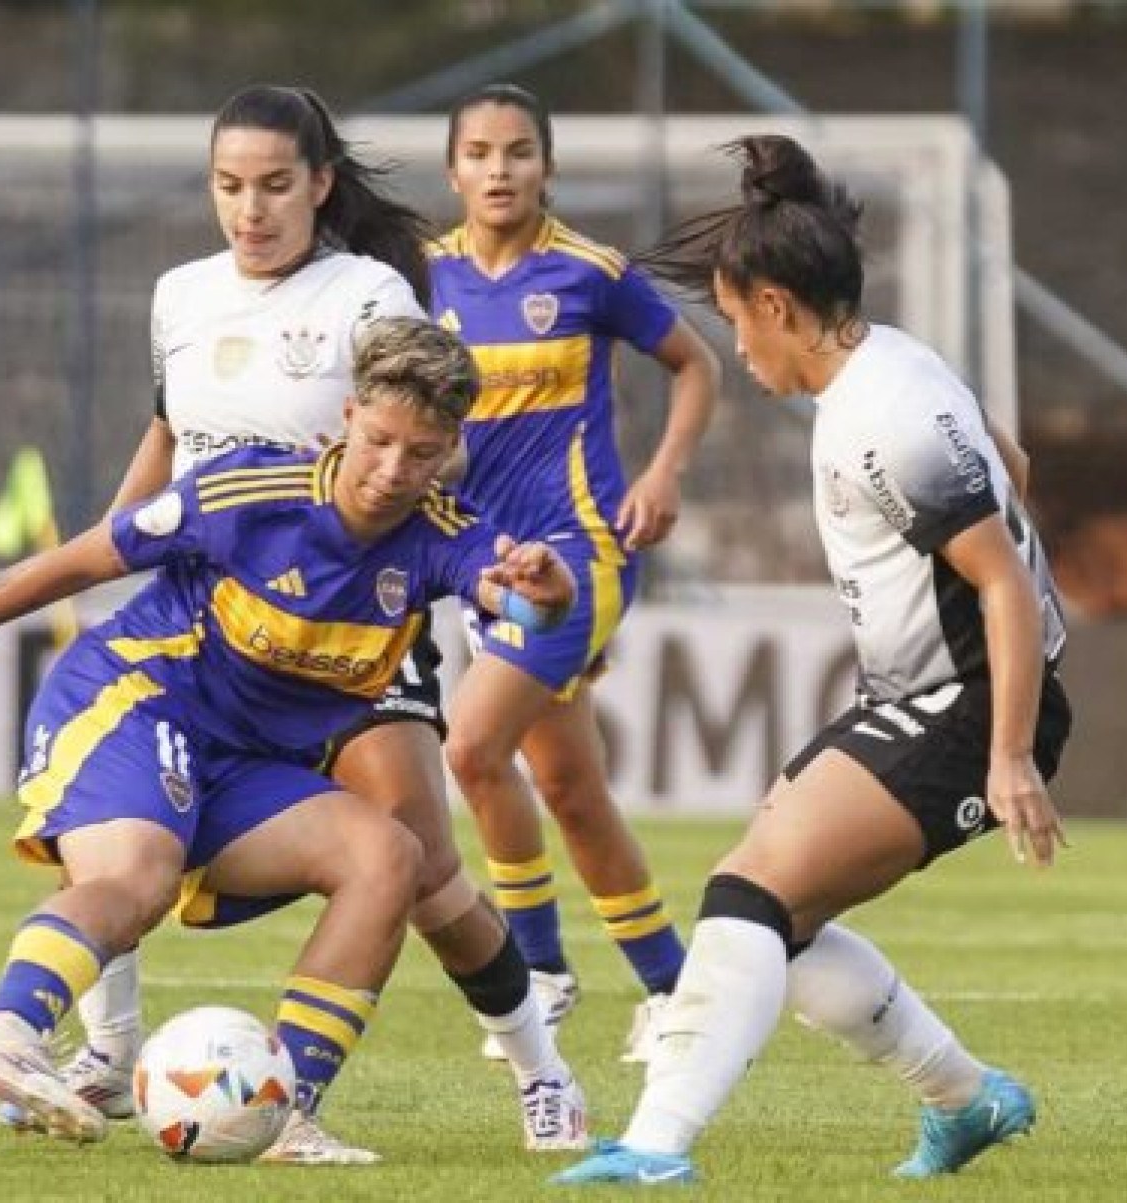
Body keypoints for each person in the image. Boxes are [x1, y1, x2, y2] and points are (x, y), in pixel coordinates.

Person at [0, 319, 581, 1160]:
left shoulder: (441, 533)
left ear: (449, 450)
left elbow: (514, 596)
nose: (393, 470)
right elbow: (80, 563)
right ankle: (6, 1027)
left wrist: (546, 593)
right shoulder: (245, 493)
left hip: (251, 764)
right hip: (138, 700)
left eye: (422, 452)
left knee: (390, 858)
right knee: (136, 879)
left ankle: (284, 1110)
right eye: (380, 440)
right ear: (348, 414)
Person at [49, 85, 589, 1159]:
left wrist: (440, 539)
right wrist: (112, 549)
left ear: (321, 186)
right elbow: (169, 436)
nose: (251, 210)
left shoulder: (371, 293)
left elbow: (433, 432)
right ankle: (110, 1056)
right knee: (113, 808)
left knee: (424, 872)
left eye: (275, 186)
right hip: (209, 625)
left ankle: (541, 1068)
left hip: (351, 631)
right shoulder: (182, 296)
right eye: (230, 187)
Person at [553, 134, 1073, 1187]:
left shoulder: (882, 417)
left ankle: (654, 1151)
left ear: (779, 306)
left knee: (746, 900)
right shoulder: (900, 364)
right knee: (767, 920)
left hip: (967, 706)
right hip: (927, 695)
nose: (739, 351)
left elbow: (1003, 586)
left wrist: (1008, 754)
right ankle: (968, 1100)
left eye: (739, 322)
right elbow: (1010, 465)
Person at [428, 84, 721, 1061]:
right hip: (487, 568)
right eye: (479, 152)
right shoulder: (423, 278)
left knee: (470, 750)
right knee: (573, 792)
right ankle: (676, 992)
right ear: (453, 170)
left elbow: (697, 365)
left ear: (546, 166)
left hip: (583, 555)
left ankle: (540, 971)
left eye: (518, 151)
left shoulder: (590, 272)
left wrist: (665, 471)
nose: (499, 170)